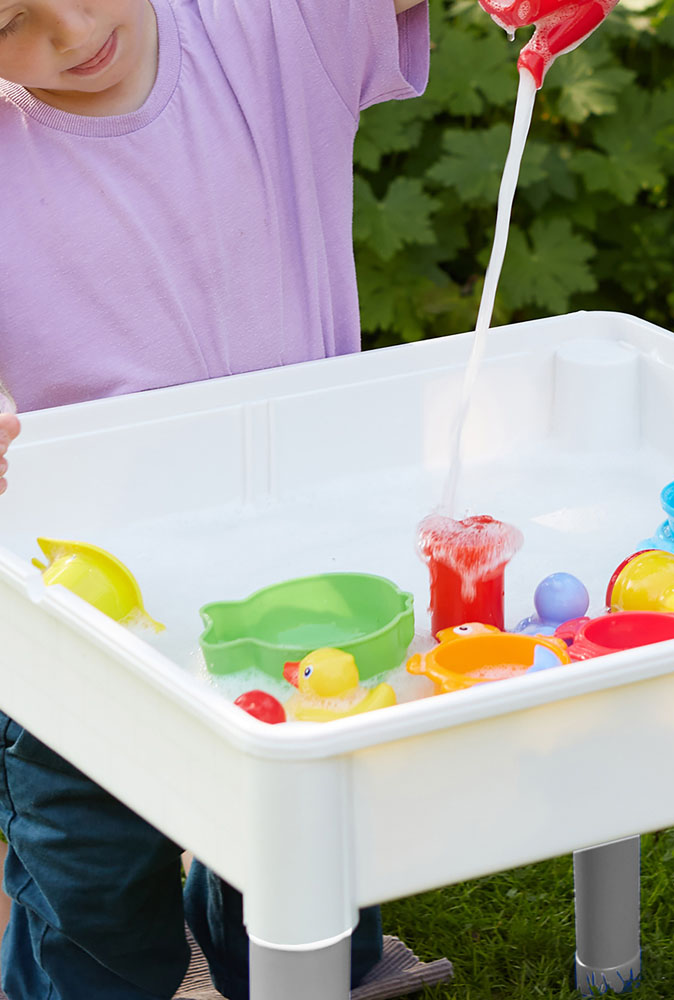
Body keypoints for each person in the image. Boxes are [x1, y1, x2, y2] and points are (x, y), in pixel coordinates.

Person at [0, 0, 429, 994]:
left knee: (305, 878)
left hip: (309, 575)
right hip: (80, 604)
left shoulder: (270, 26)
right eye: (10, 26)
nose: (68, 33)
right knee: (91, 884)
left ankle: (277, 952)